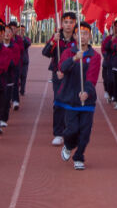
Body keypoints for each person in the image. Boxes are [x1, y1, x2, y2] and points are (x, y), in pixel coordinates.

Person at [56, 21, 101, 170]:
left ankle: (79, 156)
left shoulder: (95, 55)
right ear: (75, 35)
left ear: (90, 36)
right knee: (71, 129)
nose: (82, 36)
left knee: (85, 132)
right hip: (70, 99)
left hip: (87, 100)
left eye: (86, 33)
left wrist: (87, 92)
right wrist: (74, 58)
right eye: (79, 33)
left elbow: (92, 77)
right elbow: (62, 67)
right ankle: (68, 145)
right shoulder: (68, 52)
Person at [42, 11, 78, 145]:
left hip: (73, 75)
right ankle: (58, 133)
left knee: (72, 103)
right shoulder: (56, 37)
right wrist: (53, 42)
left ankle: (70, 130)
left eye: (71, 22)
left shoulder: (77, 39)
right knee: (59, 102)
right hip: (58, 74)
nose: (68, 25)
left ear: (75, 24)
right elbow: (45, 53)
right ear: (62, 23)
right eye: (66, 22)